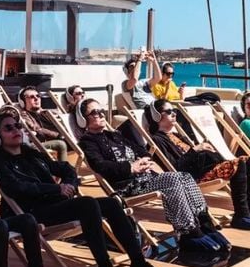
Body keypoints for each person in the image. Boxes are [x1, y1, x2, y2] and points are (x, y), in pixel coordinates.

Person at [0, 111, 164, 267]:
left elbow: (64, 167)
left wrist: (69, 184)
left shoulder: (31, 154)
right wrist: (56, 189)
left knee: (111, 203)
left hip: (53, 204)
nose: (16, 130)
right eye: (8, 128)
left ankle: (138, 263)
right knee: (86, 204)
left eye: (18, 126)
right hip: (30, 212)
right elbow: (15, 188)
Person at [75, 98, 230, 256]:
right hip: (126, 186)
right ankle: (187, 233)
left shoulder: (114, 135)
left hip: (144, 178)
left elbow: (142, 151)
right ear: (83, 119)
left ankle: (203, 222)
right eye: (94, 112)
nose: (100, 114)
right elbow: (100, 166)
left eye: (101, 110)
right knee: (172, 180)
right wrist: (131, 167)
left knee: (184, 176)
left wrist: (144, 161)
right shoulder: (88, 142)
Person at [146, 99, 250, 231]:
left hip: (204, 168)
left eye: (174, 111)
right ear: (157, 116)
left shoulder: (176, 135)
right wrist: (196, 149)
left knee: (249, 161)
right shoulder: (157, 140)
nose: (174, 114)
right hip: (192, 177)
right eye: (169, 111)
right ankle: (241, 215)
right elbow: (176, 167)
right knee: (238, 164)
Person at [13, 85, 67, 160]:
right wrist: (58, 135)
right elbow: (37, 130)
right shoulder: (24, 115)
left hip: (49, 140)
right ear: (23, 102)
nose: (36, 98)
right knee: (61, 144)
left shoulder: (44, 112)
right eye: (32, 97)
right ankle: (64, 170)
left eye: (38, 96)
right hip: (37, 143)